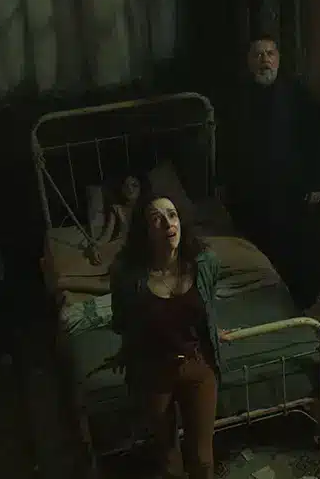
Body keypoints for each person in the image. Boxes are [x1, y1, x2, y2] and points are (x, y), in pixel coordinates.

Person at [107, 194, 229, 479]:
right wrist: (127, 351)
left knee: (202, 459)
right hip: (154, 372)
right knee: (167, 459)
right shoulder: (127, 276)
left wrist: (213, 330)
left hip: (197, 365)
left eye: (172, 215)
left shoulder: (204, 262)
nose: (168, 223)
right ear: (145, 231)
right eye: (157, 219)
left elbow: (207, 303)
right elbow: (122, 321)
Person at [218, 32, 320, 309]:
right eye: (258, 55)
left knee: (298, 247)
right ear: (249, 61)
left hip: (293, 188)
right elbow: (227, 145)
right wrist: (225, 184)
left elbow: (314, 140)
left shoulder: (297, 94)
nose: (264, 60)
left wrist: (315, 183)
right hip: (253, 189)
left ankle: (298, 300)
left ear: (278, 58)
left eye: (269, 54)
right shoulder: (237, 98)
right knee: (257, 246)